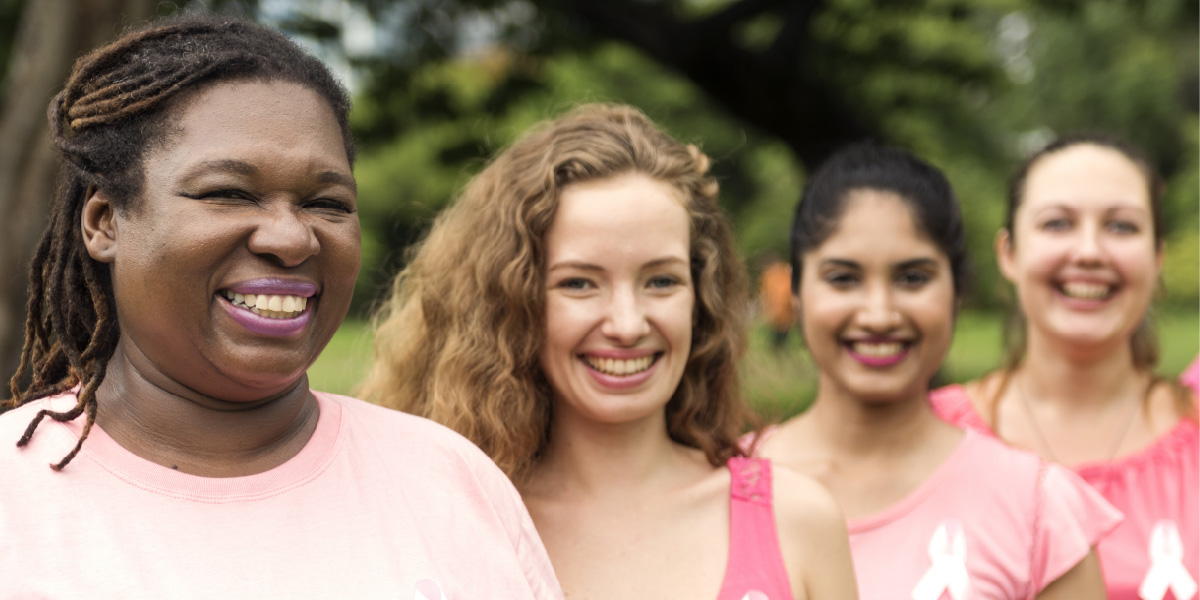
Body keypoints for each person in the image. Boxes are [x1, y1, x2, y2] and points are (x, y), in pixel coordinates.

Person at [0, 16, 561, 599]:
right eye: (228, 193)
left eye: (327, 203)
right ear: (105, 222)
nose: (292, 239)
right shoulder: (11, 501)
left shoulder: (448, 481)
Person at [362, 104, 858, 599]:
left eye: (661, 281)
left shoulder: (798, 521)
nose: (627, 324)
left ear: (701, 299)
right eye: (580, 283)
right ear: (512, 302)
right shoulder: (452, 527)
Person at [754, 144, 1121, 599]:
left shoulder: (1038, 511)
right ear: (795, 291)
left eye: (912, 278)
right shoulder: (716, 484)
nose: (879, 314)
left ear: (957, 290)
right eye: (843, 278)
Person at [929, 134, 1198, 600]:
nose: (1089, 252)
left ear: (1157, 257)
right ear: (1008, 253)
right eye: (1057, 224)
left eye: (1121, 227)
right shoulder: (926, 435)